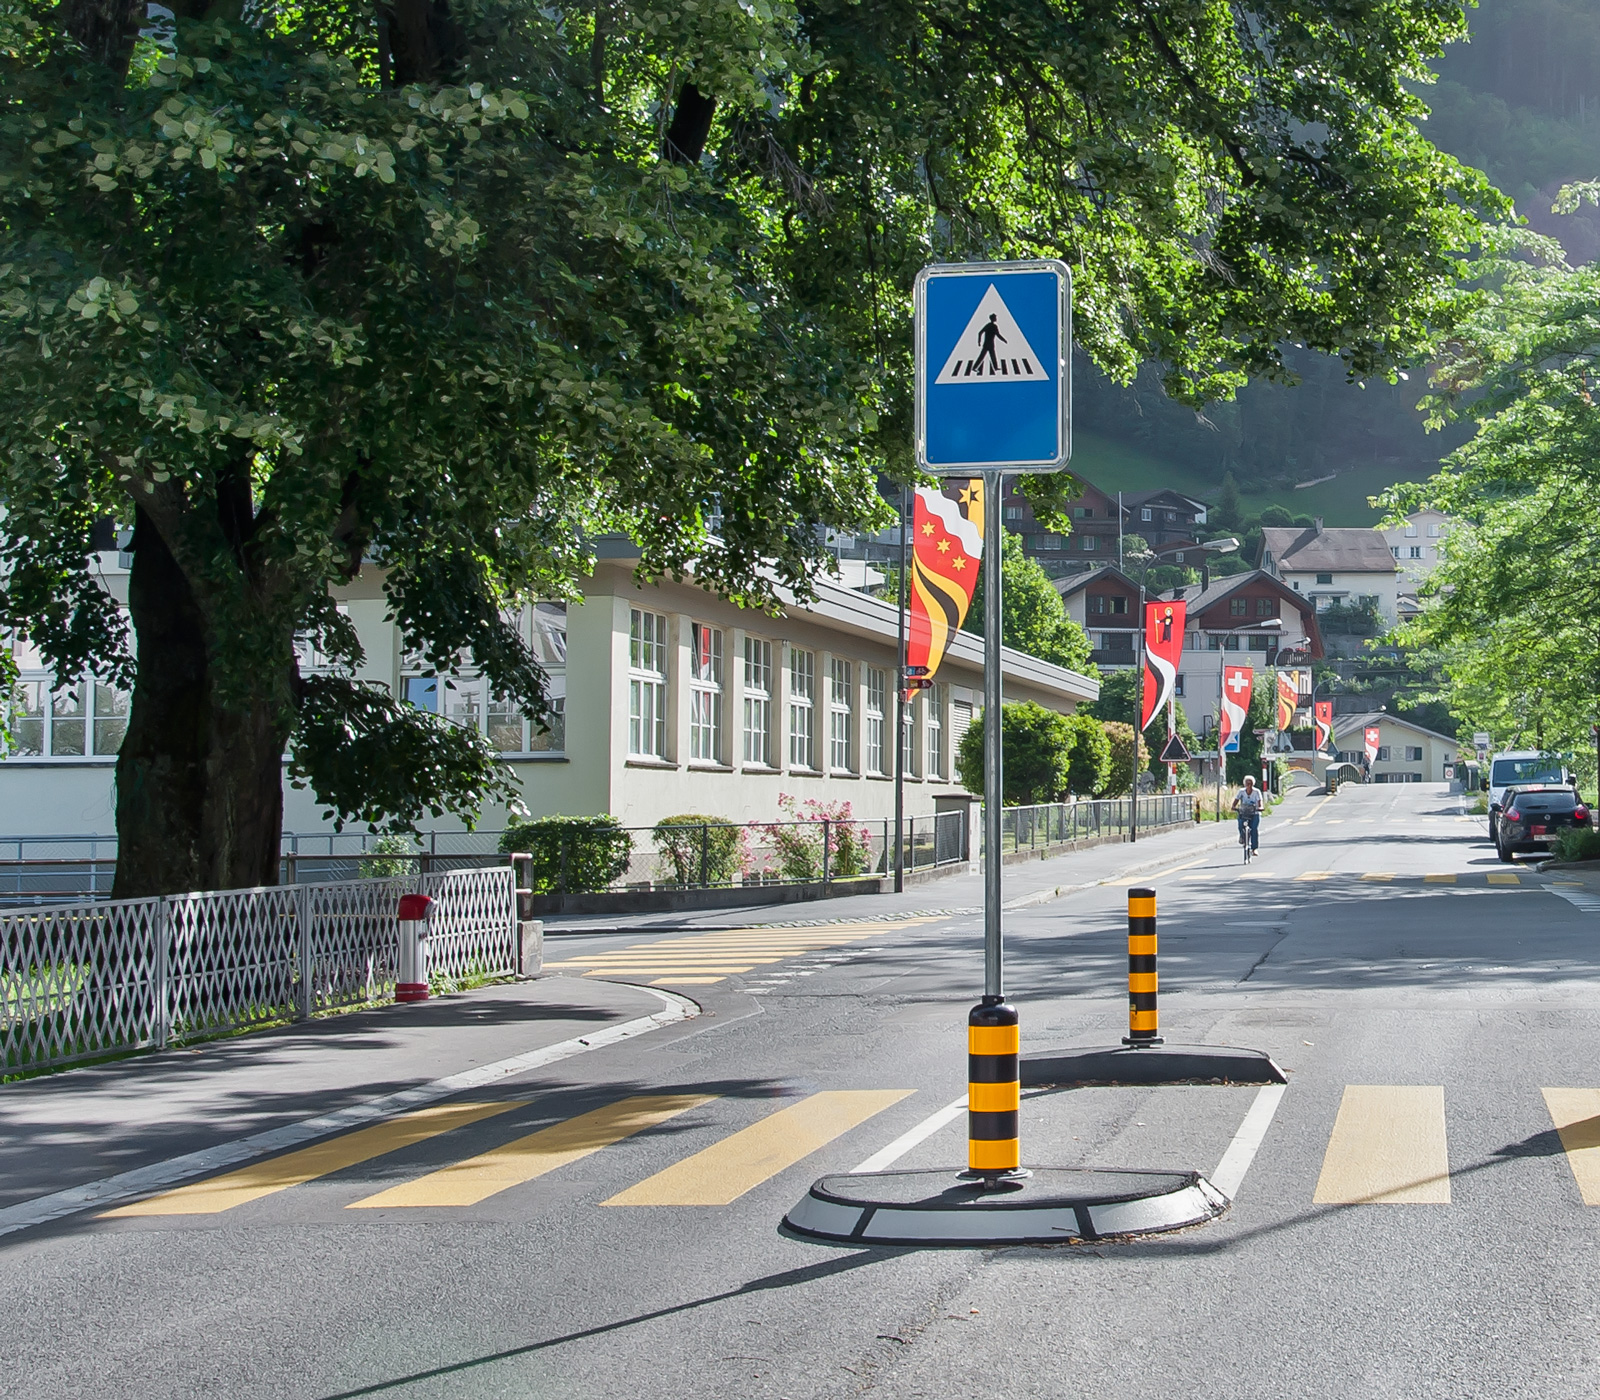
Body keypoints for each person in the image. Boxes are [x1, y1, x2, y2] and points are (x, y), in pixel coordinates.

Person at [1232, 774, 1263, 853]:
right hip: (1244, 812)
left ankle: (1254, 848)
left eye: (1250, 783)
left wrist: (1260, 807)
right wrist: (1233, 806)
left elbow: (1260, 802)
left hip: (1254, 813)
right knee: (1240, 825)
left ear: (1253, 784)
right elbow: (1236, 800)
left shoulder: (1256, 792)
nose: (1249, 785)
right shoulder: (1241, 791)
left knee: (1254, 829)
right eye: (1247, 783)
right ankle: (1242, 837)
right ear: (1244, 784)